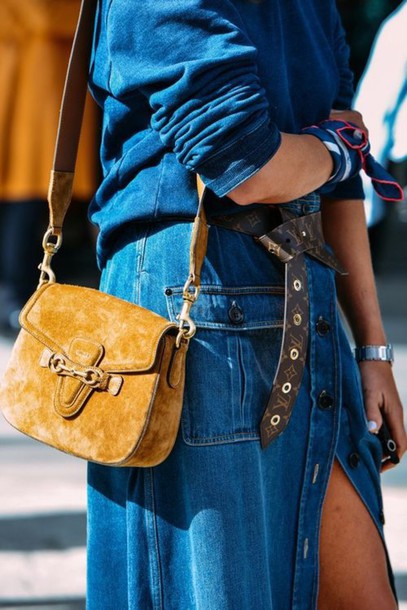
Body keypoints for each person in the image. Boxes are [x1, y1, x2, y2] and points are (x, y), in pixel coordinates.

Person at [86, 1, 407, 608]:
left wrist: (372, 347)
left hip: (308, 305)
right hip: (194, 315)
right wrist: (338, 148)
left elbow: (336, 173)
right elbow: (249, 165)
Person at [0, 1, 99, 335]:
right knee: (27, 195)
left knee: (43, 197)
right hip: (33, 89)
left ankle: (24, 296)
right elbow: (42, 15)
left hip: (52, 84)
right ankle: (14, 297)